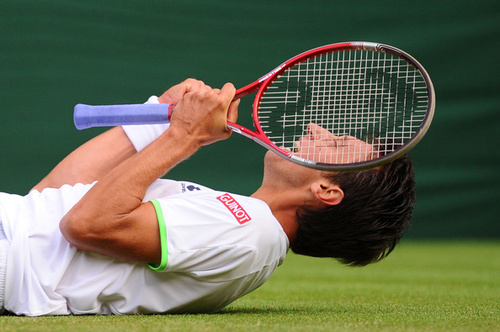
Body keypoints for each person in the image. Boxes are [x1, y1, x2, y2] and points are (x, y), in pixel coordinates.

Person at [0, 79, 415, 316]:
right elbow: (52, 200)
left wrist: (186, 135)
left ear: (326, 191)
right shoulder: (246, 223)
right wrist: (159, 120)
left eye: (337, 144)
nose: (315, 129)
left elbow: (86, 225)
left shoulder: (252, 231)